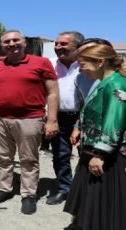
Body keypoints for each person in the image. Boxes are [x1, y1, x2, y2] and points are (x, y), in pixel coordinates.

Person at [0, 30, 59, 215]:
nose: (11, 43)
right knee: (3, 157)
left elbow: (53, 93)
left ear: (24, 43)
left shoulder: (41, 63)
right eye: (7, 41)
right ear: (2, 46)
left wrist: (52, 120)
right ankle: (5, 188)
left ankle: (28, 194)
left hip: (30, 118)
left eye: (16, 40)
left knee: (28, 159)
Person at [63, 44, 126, 230]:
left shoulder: (116, 85)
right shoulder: (105, 82)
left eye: (83, 65)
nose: (81, 70)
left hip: (106, 156)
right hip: (91, 150)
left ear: (100, 62)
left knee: (105, 201)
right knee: (92, 200)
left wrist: (100, 154)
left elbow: (113, 122)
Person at [47, 31, 84, 205]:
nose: (58, 47)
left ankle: (86, 190)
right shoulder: (49, 65)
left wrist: (79, 124)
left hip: (83, 116)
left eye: (63, 44)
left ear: (77, 47)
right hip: (57, 117)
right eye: (56, 43)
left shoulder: (85, 65)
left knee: (87, 154)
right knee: (61, 155)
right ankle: (65, 189)